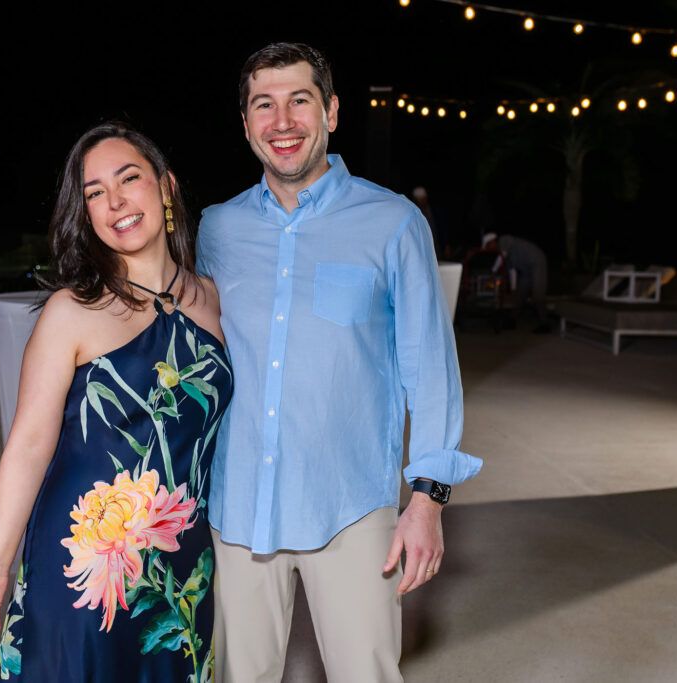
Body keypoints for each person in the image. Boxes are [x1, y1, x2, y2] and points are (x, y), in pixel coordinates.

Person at [196, 43, 483, 682]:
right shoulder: (217, 229)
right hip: (239, 507)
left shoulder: (394, 223)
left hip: (352, 506)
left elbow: (431, 370)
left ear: (330, 111)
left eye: (299, 101)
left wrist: (428, 500)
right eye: (264, 105)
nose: (282, 121)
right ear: (245, 123)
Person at [0, 122, 232, 682]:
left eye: (129, 179)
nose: (116, 201)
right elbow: (30, 444)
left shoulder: (210, 298)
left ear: (167, 186)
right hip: (85, 564)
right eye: (96, 193)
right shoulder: (72, 310)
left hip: (179, 567)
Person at [482, 232, 550, 333]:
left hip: (536, 262)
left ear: (492, 242)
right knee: (519, 295)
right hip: (526, 270)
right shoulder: (506, 256)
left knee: (538, 295)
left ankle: (545, 324)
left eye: (488, 246)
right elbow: (512, 271)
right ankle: (512, 321)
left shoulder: (504, 240)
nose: (489, 249)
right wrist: (513, 289)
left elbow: (501, 257)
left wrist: (493, 271)